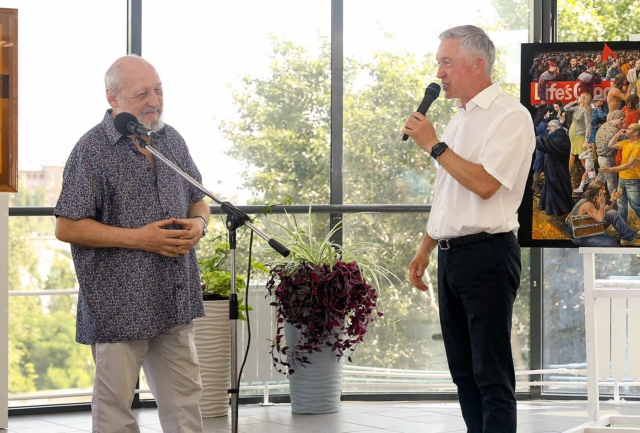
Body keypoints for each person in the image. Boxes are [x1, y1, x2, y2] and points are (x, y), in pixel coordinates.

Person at [54, 55, 209, 433]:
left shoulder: (171, 140)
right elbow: (67, 226)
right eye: (142, 94)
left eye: (158, 90)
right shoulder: (91, 149)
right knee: (115, 411)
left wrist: (199, 224)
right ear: (113, 98)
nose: (154, 100)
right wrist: (140, 239)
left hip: (174, 296)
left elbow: (198, 198)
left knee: (186, 402)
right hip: (119, 303)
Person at [404, 25, 535, 433]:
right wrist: (425, 248)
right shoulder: (458, 120)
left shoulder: (510, 116)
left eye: (447, 62)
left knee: (490, 375)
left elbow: (484, 183)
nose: (438, 73)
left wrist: (434, 145)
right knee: (463, 374)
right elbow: (448, 193)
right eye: (438, 63)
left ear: (478, 65)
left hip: (488, 255)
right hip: (451, 257)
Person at [567, 181, 639, 246]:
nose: (604, 191)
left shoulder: (593, 200)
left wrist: (612, 199)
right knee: (611, 242)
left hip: (589, 227)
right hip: (581, 237)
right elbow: (600, 219)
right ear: (595, 191)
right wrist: (602, 204)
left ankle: (628, 238)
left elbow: (604, 211)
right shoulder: (588, 204)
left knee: (612, 213)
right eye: (602, 189)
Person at [600, 123, 640, 224]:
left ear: (635, 132)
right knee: (621, 204)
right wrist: (618, 134)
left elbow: (629, 165)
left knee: (636, 205)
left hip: (633, 180)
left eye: (629, 129)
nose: (626, 129)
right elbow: (610, 145)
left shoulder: (638, 146)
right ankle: (622, 226)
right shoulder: (626, 142)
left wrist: (610, 169)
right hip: (622, 178)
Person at [535, 120, 573, 215]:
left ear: (555, 127)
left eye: (549, 126)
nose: (547, 128)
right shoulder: (556, 134)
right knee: (552, 186)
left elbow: (547, 143)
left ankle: (556, 210)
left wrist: (535, 139)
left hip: (558, 168)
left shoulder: (560, 136)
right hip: (553, 167)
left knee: (557, 188)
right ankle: (548, 207)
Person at [596, 110, 627, 195]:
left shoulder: (604, 125)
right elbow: (624, 141)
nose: (623, 121)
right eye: (621, 119)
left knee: (600, 179)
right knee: (611, 181)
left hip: (601, 156)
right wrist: (624, 129)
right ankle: (614, 200)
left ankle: (592, 196)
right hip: (607, 158)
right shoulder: (614, 130)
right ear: (615, 118)